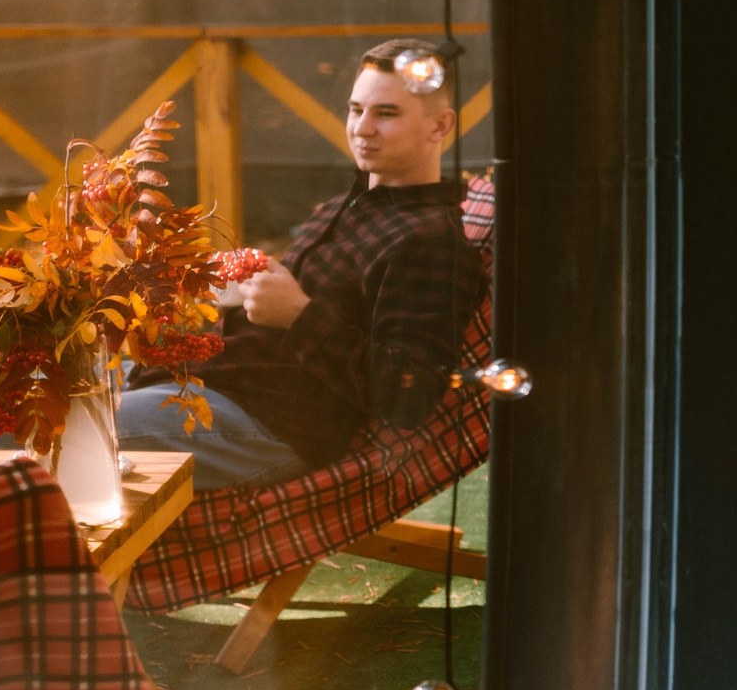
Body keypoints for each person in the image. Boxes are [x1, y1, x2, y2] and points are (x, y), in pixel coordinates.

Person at [120, 37, 486, 490]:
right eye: (356, 109)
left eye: (386, 114)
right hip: (220, 381)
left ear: (440, 125)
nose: (362, 128)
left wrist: (298, 315)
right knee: (56, 377)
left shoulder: (430, 242)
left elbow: (409, 393)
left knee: (57, 426)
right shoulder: (350, 204)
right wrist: (244, 284)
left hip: (269, 423)